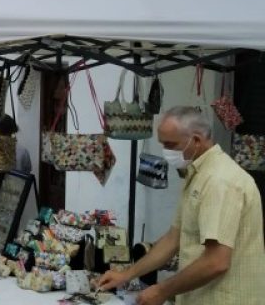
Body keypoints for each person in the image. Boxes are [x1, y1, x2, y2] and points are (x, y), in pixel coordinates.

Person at [98, 106, 265, 305]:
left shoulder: (219, 181)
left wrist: (162, 290)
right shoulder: (196, 174)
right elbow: (173, 238)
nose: (166, 152)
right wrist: (126, 274)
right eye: (163, 145)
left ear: (196, 140)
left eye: (170, 144)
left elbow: (216, 261)